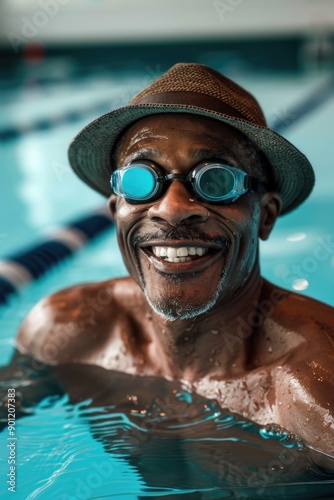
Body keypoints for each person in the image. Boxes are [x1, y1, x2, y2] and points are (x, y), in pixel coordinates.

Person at [15, 63, 334, 462]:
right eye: (141, 180)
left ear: (265, 215)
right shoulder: (67, 331)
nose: (172, 208)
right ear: (116, 210)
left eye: (215, 180)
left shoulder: (314, 390)